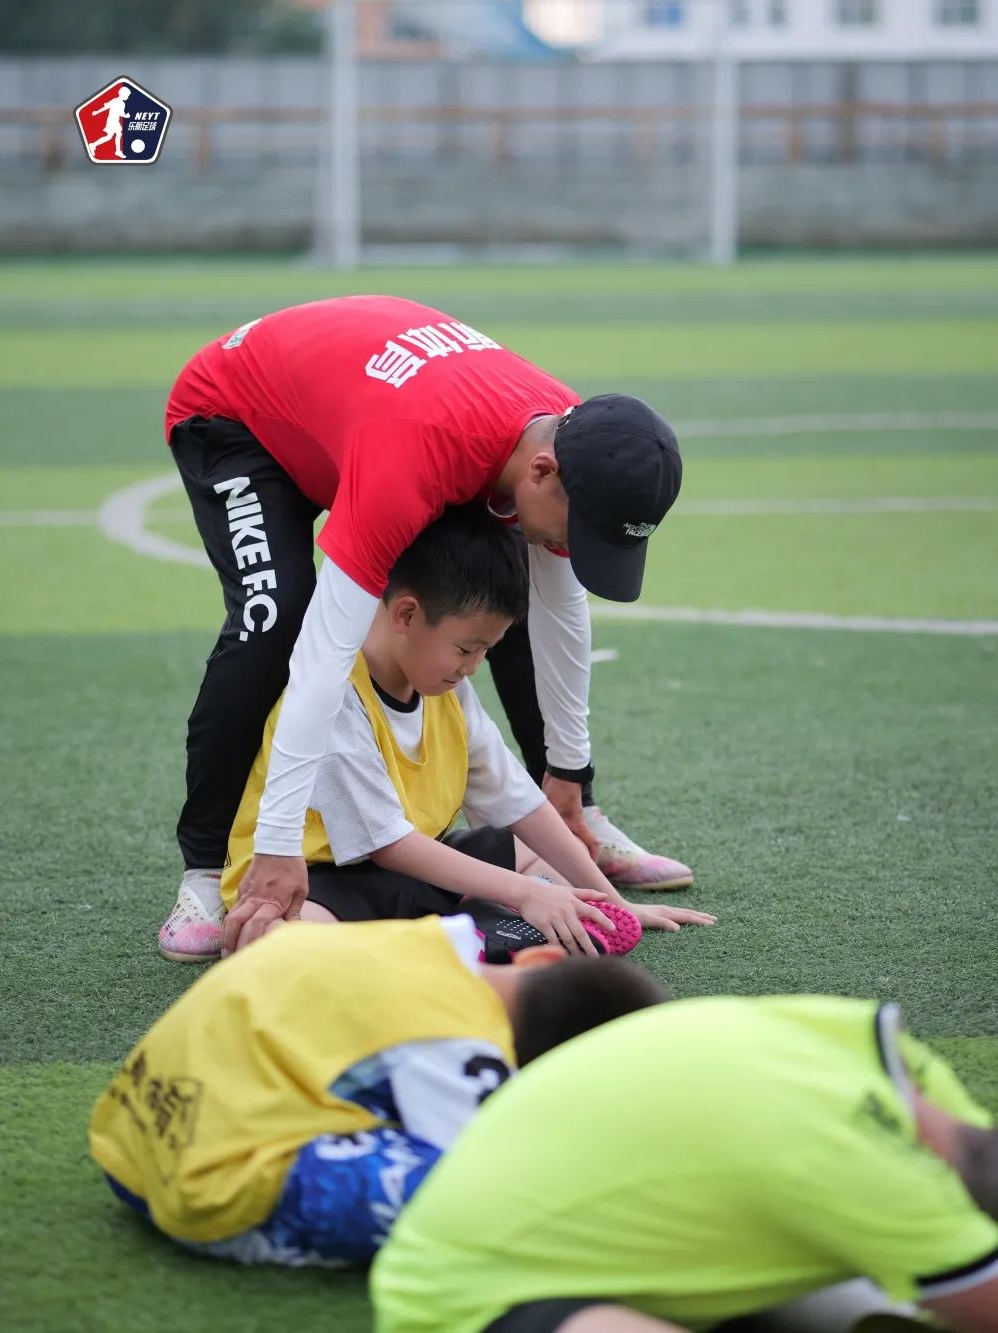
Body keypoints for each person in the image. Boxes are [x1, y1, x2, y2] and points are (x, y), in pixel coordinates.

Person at [158, 295, 689, 963]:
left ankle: (575, 817)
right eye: (577, 532)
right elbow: (321, 659)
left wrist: (568, 775)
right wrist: (278, 841)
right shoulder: (410, 464)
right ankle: (208, 868)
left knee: (492, 603)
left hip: (366, 418)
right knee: (277, 619)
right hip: (241, 415)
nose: (572, 549)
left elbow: (559, 609)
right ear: (541, 472)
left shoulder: (576, 437)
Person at [191, 507, 714, 965]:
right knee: (285, 943)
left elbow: (522, 804)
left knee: (527, 852)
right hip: (316, 881)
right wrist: (525, 894)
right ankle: (457, 940)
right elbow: (388, 844)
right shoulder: (333, 696)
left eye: (486, 650)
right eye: (466, 649)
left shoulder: (449, 690)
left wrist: (612, 903)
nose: (474, 667)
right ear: (406, 614)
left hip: (411, 870)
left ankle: (455, 935)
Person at [371, 995, 998, 1333]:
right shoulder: (869, 1174)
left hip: (533, 1218)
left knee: (874, 1284)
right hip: (466, 1299)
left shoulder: (911, 1071)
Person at [90, 915, 669, 1266]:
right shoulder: (461, 1049)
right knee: (487, 1195)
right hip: (206, 1189)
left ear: (539, 957)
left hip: (127, 1144)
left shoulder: (426, 940)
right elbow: (481, 1181)